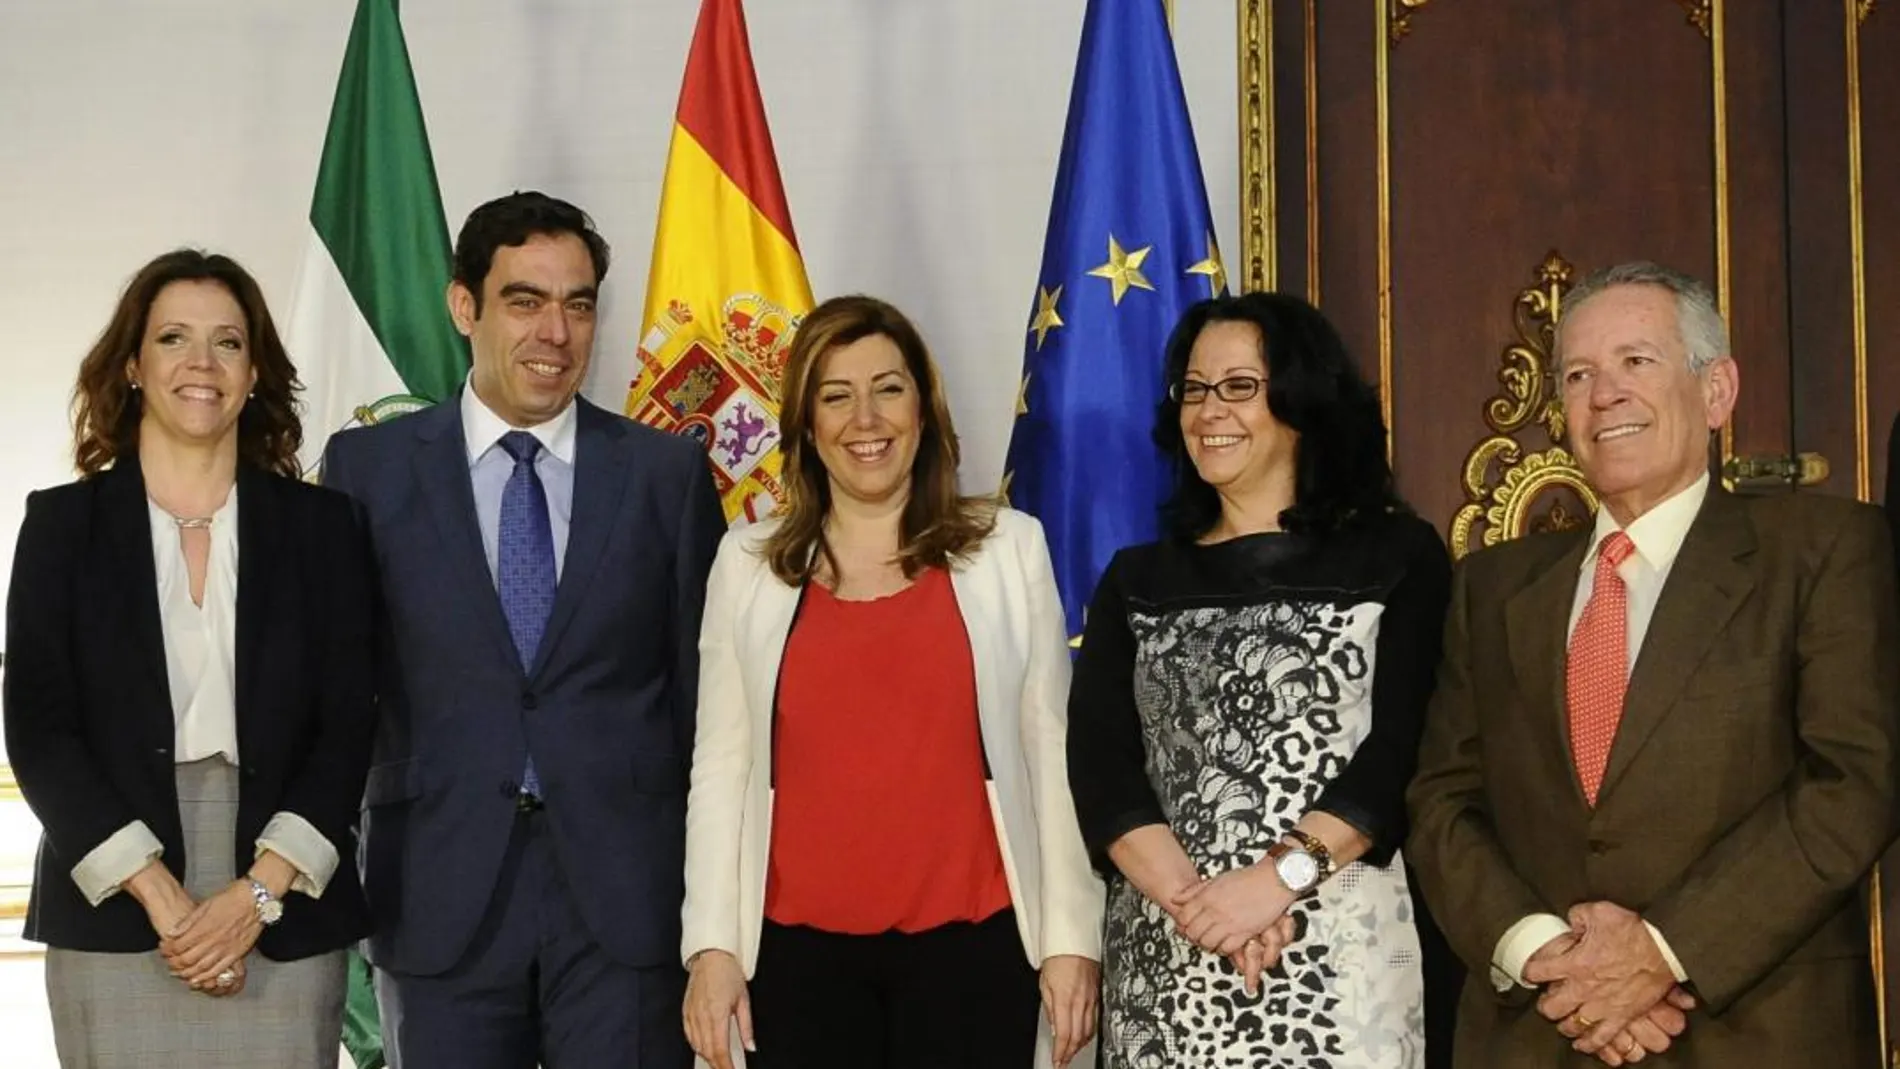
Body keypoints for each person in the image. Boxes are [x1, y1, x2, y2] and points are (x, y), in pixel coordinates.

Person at [1406, 261, 1900, 1067]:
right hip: (1541, 1030)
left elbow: (1856, 778)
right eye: (1578, 374)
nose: (1604, 395)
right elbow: (1440, 800)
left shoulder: (1826, 551)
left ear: (1717, 391)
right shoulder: (1491, 586)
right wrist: (1544, 952)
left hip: (1759, 1030)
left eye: (1637, 361)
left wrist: (1663, 953)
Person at [321, 192, 725, 1069]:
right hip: (436, 887)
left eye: (577, 304)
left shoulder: (667, 475)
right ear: (464, 305)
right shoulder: (367, 471)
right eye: (525, 300)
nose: (556, 330)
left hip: (626, 899)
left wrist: (717, 910)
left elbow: (706, 709)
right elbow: (335, 692)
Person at [679, 295, 1103, 1069]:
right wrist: (710, 947)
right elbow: (721, 768)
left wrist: (1074, 938)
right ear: (807, 425)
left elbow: (1051, 752)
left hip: (977, 950)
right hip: (795, 960)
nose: (865, 418)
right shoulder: (746, 564)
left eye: (889, 387)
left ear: (924, 407)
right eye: (835, 396)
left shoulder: (1009, 549)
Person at [3, 249, 377, 1067]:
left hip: (284, 895)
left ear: (253, 375)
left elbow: (351, 722)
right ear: (134, 364)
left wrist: (256, 895)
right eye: (173, 338)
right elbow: (37, 727)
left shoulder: (324, 527)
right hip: (113, 889)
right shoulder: (62, 527)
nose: (201, 363)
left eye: (229, 343)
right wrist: (165, 900)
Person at [1066, 291, 1451, 1069]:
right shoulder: (1135, 579)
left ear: (1302, 402)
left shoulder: (1398, 555)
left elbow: (1402, 752)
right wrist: (1206, 906)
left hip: (1341, 954)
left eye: (1240, 385)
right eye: (1195, 388)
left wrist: (1276, 881)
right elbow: (1101, 768)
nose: (1211, 410)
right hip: (1170, 959)